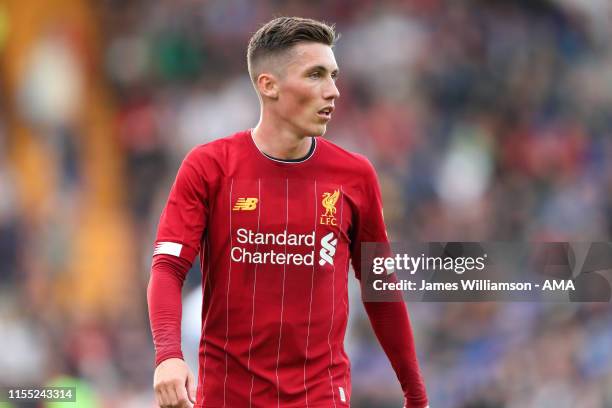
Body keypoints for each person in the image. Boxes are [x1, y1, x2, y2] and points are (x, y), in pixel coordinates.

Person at [147, 16, 429, 408]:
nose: (333, 92)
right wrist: (169, 356)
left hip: (322, 399)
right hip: (228, 398)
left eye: (333, 76)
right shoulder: (210, 166)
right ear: (269, 85)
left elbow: (381, 290)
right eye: (315, 75)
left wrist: (416, 396)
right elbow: (167, 269)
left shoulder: (355, 176)